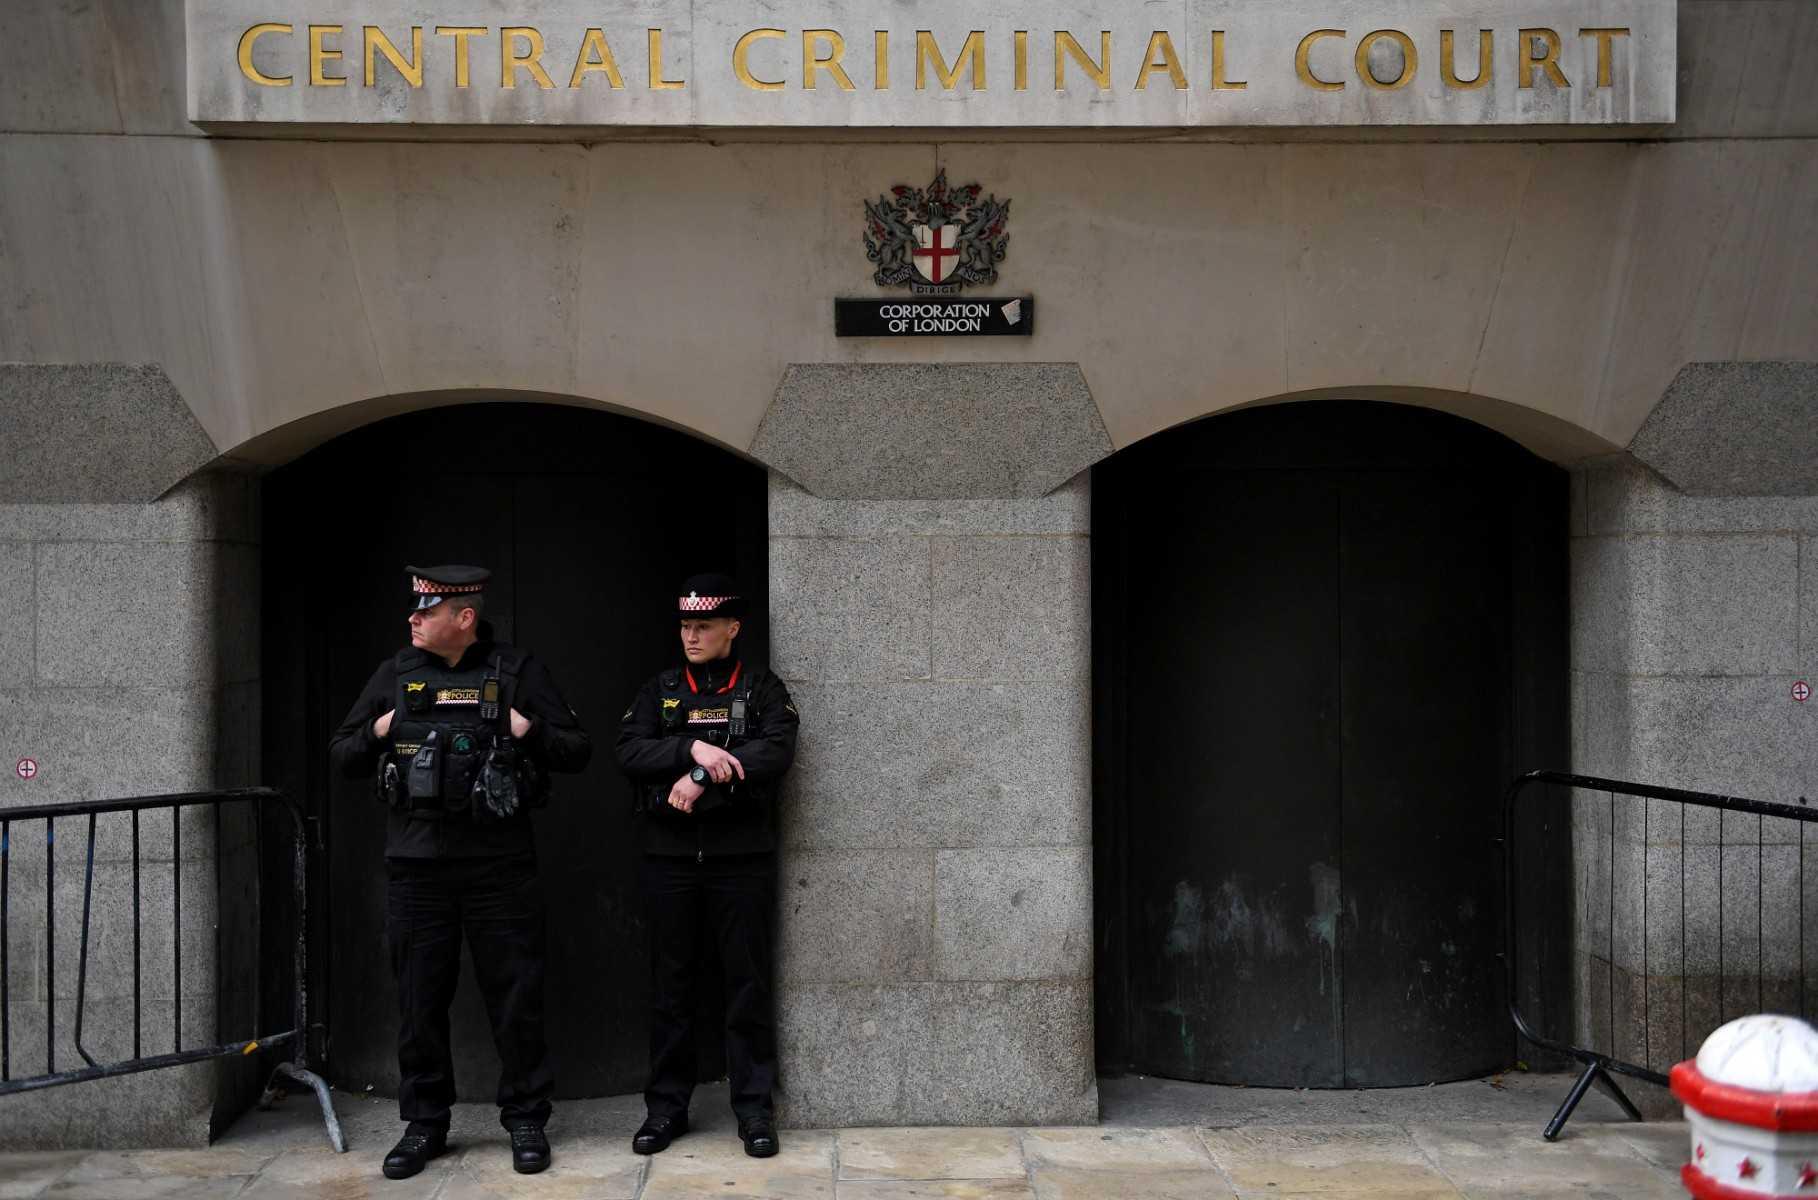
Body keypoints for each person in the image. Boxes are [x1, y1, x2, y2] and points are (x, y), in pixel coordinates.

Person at [329, 564, 592, 1180]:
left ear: (464, 618)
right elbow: (342, 754)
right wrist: (377, 729)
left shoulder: (516, 672)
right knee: (419, 1001)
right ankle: (425, 1124)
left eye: (427, 612)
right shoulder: (396, 675)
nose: (413, 620)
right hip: (417, 869)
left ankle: (526, 1119)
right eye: (414, 611)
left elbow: (577, 749)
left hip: (500, 868)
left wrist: (526, 729)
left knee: (516, 997)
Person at [615, 573, 799, 1159]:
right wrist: (689, 749)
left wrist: (699, 783)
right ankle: (665, 1109)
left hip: (738, 859)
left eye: (703, 626)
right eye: (685, 625)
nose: (691, 636)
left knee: (746, 986)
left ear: (732, 628)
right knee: (671, 988)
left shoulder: (763, 688)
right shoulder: (662, 688)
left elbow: (775, 752)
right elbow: (627, 750)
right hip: (669, 860)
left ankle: (753, 1111)